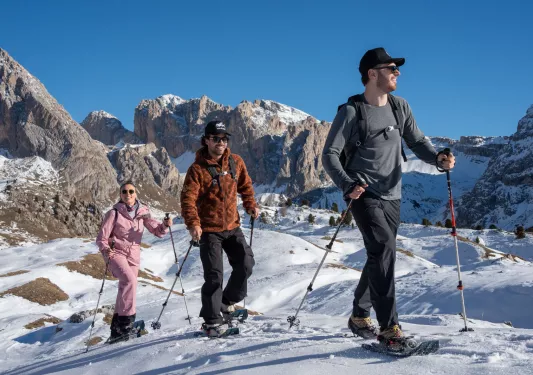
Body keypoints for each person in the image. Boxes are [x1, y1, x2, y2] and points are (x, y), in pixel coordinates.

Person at [322, 47, 455, 348]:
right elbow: (329, 154)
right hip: (363, 193)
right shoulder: (352, 112)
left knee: (380, 254)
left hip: (393, 194)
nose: (397, 73)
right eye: (391, 68)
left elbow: (417, 141)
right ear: (372, 74)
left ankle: (359, 315)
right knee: (382, 249)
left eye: (397, 69)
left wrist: (437, 158)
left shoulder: (399, 107)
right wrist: (346, 184)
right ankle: (389, 330)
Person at [180, 120, 259, 337]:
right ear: (206, 140)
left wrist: (250, 205)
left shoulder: (235, 162)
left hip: (233, 227)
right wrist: (193, 224)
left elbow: (246, 186)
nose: (221, 143)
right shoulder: (197, 169)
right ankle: (212, 321)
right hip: (209, 230)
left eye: (224, 139)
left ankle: (226, 302)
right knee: (214, 276)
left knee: (246, 264)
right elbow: (188, 199)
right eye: (216, 138)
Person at [96, 181, 171, 342]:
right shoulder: (113, 213)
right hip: (115, 252)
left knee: (126, 287)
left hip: (133, 255)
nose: (128, 194)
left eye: (131, 191)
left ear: (136, 193)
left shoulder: (142, 212)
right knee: (129, 281)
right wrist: (106, 250)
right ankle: (126, 325)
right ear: (120, 195)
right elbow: (101, 238)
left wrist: (164, 225)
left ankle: (116, 329)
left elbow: (157, 231)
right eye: (124, 192)